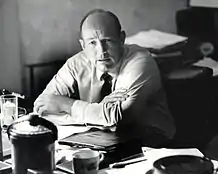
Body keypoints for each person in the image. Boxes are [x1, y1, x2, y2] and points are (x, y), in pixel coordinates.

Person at [34, 9, 175, 147]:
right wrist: (100, 111)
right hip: (99, 140)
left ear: (122, 39)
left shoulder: (140, 62)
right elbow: (41, 106)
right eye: (92, 43)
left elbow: (120, 118)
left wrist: (66, 105)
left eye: (107, 41)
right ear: (83, 45)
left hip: (152, 142)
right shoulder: (76, 64)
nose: (101, 51)